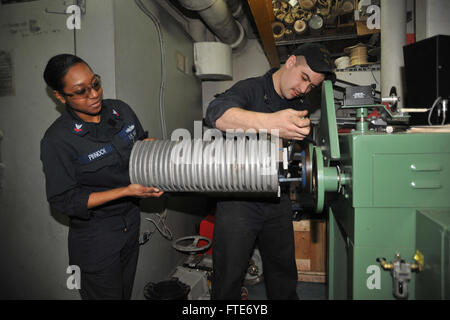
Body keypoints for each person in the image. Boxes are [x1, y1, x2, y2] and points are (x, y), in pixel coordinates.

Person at [204, 43, 336, 300]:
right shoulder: (251, 89)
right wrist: (272, 124)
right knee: (228, 277)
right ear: (290, 63)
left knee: (283, 275)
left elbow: (305, 150)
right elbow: (215, 114)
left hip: (277, 200)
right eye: (303, 78)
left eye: (311, 87)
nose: (303, 89)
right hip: (238, 200)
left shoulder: (299, 102)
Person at [40, 54, 163, 300]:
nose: (94, 94)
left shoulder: (121, 110)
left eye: (95, 83)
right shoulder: (57, 140)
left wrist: (151, 150)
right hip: (96, 235)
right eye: (81, 91)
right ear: (60, 96)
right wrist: (127, 191)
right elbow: (64, 200)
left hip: (130, 221)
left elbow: (139, 146)